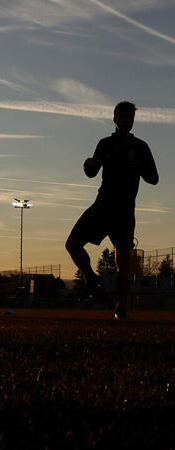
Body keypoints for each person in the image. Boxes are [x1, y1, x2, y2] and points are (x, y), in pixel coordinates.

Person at [65, 101, 158, 319]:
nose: (127, 121)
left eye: (130, 117)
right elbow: (92, 170)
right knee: (72, 244)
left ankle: (121, 308)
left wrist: (140, 167)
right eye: (123, 117)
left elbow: (154, 178)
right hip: (102, 206)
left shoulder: (141, 147)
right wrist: (88, 165)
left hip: (124, 211)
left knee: (122, 262)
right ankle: (90, 277)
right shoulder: (105, 144)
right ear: (115, 119)